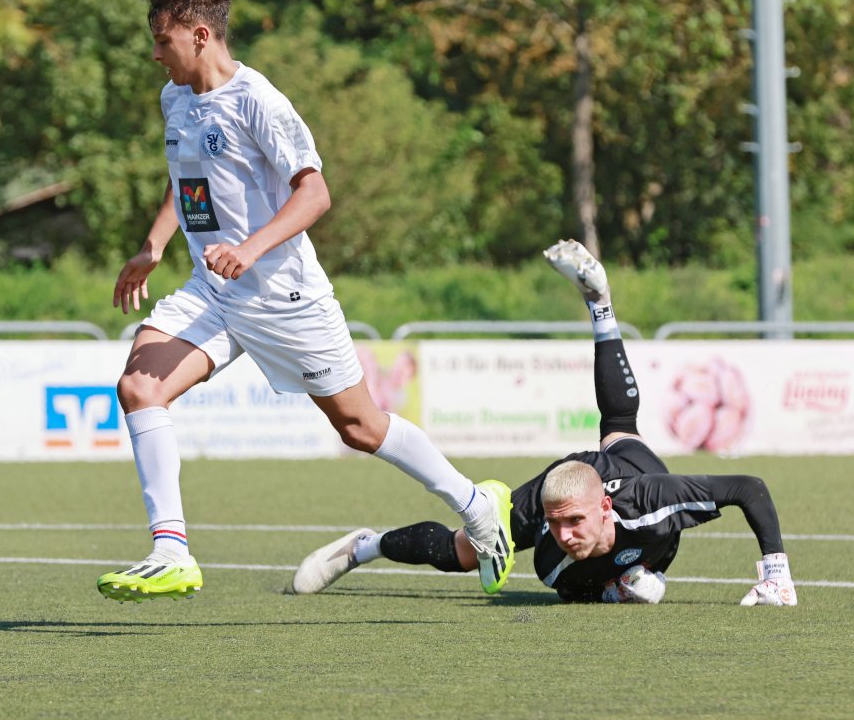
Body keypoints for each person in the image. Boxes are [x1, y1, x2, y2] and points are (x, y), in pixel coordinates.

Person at [96, 0, 513, 603]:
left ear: (201, 35)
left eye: (164, 41)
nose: (157, 54)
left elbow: (314, 192)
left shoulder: (258, 101)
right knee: (138, 387)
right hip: (212, 291)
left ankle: (477, 504)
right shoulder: (175, 99)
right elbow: (186, 182)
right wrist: (154, 246)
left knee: (360, 428)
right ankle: (171, 551)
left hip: (282, 297)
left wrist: (250, 248)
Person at [292, 239, 798, 606]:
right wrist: (615, 589)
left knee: (621, 422)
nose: (564, 535)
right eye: (558, 526)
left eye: (574, 522)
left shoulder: (656, 502)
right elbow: (573, 585)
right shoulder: (551, 555)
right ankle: (367, 546)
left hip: (628, 472)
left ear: (603, 508)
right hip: (558, 483)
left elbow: (748, 488)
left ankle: (601, 304)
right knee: (466, 551)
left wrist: (776, 574)